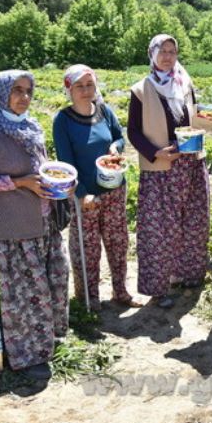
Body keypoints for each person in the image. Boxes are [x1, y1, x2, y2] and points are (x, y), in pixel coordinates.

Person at [0, 70, 69, 381]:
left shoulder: (32, 126)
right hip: (15, 226)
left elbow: (44, 167)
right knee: (26, 294)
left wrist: (59, 185)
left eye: (28, 91)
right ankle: (27, 357)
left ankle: (49, 341)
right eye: (17, 91)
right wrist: (18, 182)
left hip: (43, 220)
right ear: (1, 94)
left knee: (54, 280)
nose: (24, 97)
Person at [127, 34, 210, 309]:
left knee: (193, 221)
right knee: (159, 229)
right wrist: (155, 152)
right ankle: (158, 286)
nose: (167, 56)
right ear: (152, 54)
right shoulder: (142, 89)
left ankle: (188, 275)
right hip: (161, 168)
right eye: (162, 51)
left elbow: (193, 117)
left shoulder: (185, 83)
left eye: (172, 51)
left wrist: (198, 133)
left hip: (190, 164)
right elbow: (133, 132)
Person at [53, 64, 139, 312]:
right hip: (85, 195)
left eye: (89, 85)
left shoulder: (104, 111)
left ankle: (120, 292)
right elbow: (66, 162)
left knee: (118, 242)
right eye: (79, 86)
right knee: (87, 248)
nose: (85, 90)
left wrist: (116, 148)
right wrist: (80, 194)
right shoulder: (63, 120)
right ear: (69, 88)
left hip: (113, 187)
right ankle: (88, 299)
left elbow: (119, 137)